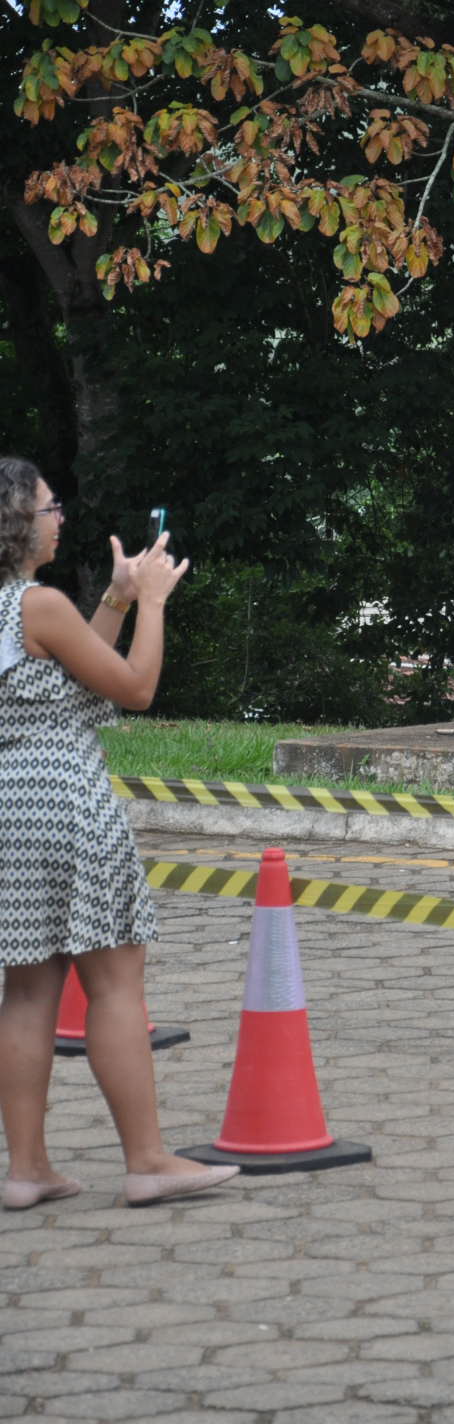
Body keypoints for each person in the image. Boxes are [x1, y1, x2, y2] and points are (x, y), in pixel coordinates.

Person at [0, 457, 241, 1209]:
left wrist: (116, 597)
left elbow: (77, 671)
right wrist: (156, 604)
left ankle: (27, 1169)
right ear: (17, 521)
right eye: (50, 507)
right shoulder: (38, 604)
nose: (60, 518)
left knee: (28, 990)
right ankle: (147, 1160)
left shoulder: (16, 612)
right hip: (67, 798)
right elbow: (132, 688)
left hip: (11, 804)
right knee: (114, 984)